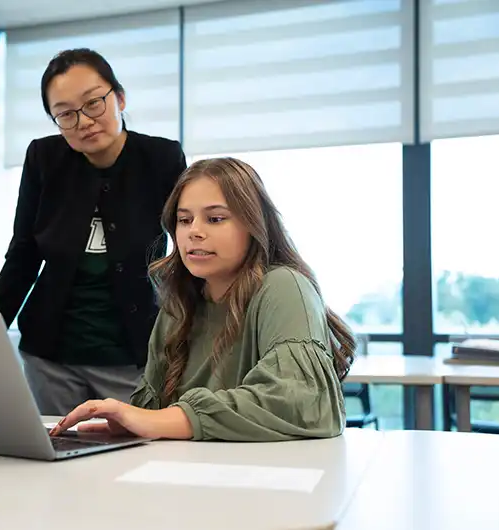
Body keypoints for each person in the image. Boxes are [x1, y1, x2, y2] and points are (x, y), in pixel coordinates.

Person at [49, 157, 355, 442]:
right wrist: (129, 424)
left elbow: (305, 402)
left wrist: (160, 422)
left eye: (215, 218)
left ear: (254, 224)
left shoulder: (283, 286)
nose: (194, 232)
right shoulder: (179, 302)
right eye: (184, 220)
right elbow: (153, 408)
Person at [0, 48, 187, 415]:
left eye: (94, 103)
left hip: (132, 352)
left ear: (119, 97)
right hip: (49, 355)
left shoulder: (161, 158)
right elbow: (23, 255)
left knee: (130, 460)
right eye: (66, 113)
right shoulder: (43, 158)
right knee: (57, 458)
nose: (83, 121)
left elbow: (187, 251)